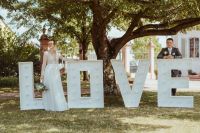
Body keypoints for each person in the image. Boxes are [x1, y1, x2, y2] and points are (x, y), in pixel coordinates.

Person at [40, 39, 68, 111]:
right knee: (49, 87)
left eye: (51, 44)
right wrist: (42, 74)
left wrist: (73, 60)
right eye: (49, 44)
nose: (50, 45)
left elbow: (64, 59)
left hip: (55, 72)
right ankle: (50, 105)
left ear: (54, 45)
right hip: (48, 71)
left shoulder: (57, 53)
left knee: (56, 86)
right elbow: (43, 64)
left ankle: (58, 104)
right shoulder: (46, 53)